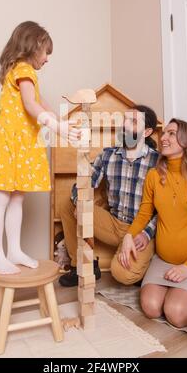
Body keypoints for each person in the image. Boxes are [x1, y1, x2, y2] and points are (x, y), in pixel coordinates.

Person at [0, 21, 79, 274]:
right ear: (33, 46)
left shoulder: (25, 74)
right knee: (1, 198)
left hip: (21, 144)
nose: (47, 59)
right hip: (11, 143)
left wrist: (59, 121)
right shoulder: (23, 69)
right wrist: (58, 128)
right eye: (46, 52)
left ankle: (13, 250)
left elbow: (41, 103)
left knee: (17, 198)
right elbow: (31, 106)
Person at [119, 119, 187, 328]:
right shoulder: (153, 176)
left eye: (171, 133)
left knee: (175, 314)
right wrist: (128, 236)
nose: (164, 137)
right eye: (164, 133)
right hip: (165, 261)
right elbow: (144, 214)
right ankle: (182, 293)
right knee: (151, 308)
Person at [59, 105, 160, 287]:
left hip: (140, 231)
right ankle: (81, 266)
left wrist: (146, 234)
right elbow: (85, 182)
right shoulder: (108, 155)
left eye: (134, 122)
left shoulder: (158, 162)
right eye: (126, 120)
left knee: (122, 275)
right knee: (68, 205)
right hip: (113, 225)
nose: (126, 126)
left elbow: (164, 210)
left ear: (147, 132)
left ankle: (146, 265)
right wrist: (79, 202)